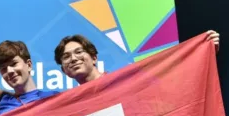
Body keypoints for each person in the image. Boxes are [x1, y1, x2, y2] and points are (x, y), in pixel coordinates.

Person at [53, 30, 221, 84]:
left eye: (79, 52)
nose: (73, 59)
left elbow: (171, 82)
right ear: (64, 70)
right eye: (66, 57)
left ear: (94, 58)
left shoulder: (122, 83)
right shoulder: (71, 105)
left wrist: (203, 52)